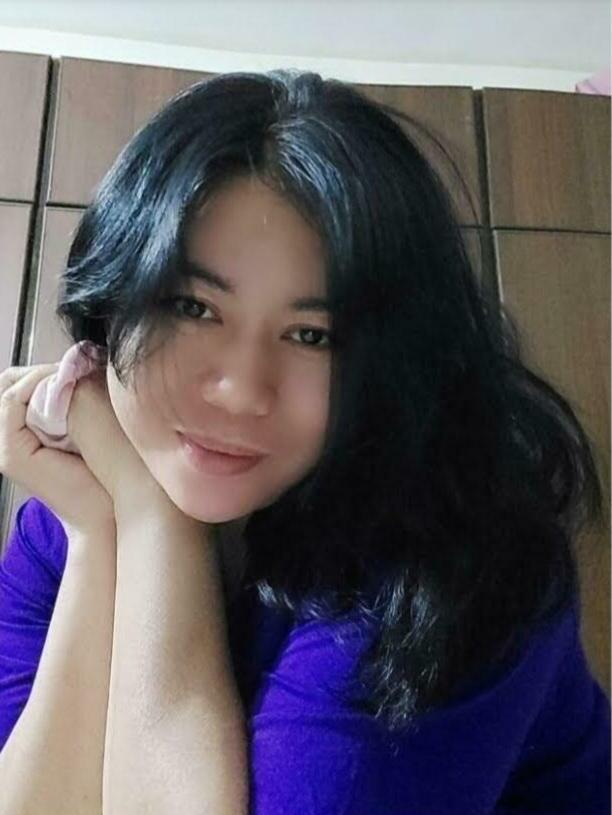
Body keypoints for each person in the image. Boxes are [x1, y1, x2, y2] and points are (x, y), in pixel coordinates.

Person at [0, 68, 609, 813]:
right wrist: (102, 534)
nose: (239, 389)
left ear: (395, 363)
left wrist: (153, 518)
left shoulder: (454, 571)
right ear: (110, 306)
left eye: (312, 334)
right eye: (192, 306)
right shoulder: (68, 520)